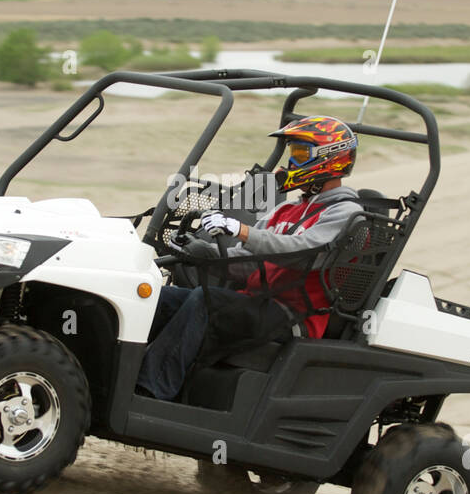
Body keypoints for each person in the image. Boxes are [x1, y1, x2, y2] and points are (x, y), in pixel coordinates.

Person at [136, 115, 365, 401]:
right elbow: (247, 265)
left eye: (300, 154)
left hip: (292, 315)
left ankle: (150, 391)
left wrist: (241, 230)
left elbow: (300, 252)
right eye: (292, 153)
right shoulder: (285, 210)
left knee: (204, 301)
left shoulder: (346, 213)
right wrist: (204, 252)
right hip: (255, 303)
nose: (291, 163)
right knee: (160, 298)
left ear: (328, 158)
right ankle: (123, 375)